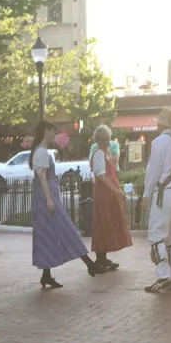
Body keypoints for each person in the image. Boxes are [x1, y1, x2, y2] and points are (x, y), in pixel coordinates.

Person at [31, 119, 97, 289]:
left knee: (50, 235)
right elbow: (42, 177)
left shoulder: (42, 151)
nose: (54, 134)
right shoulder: (41, 153)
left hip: (47, 198)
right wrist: (49, 199)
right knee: (65, 229)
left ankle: (47, 275)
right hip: (47, 199)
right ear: (46, 131)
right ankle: (89, 263)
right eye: (53, 131)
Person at [142, 107, 171, 293]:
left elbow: (153, 171)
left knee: (156, 234)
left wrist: (147, 193)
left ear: (161, 123)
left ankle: (163, 276)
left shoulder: (159, 142)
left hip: (167, 192)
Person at [88, 125, 131, 274]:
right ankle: (100, 258)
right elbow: (101, 175)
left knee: (106, 222)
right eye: (107, 139)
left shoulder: (104, 154)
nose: (108, 142)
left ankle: (103, 257)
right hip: (103, 194)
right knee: (103, 222)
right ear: (101, 140)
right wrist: (116, 190)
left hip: (107, 193)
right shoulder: (99, 154)